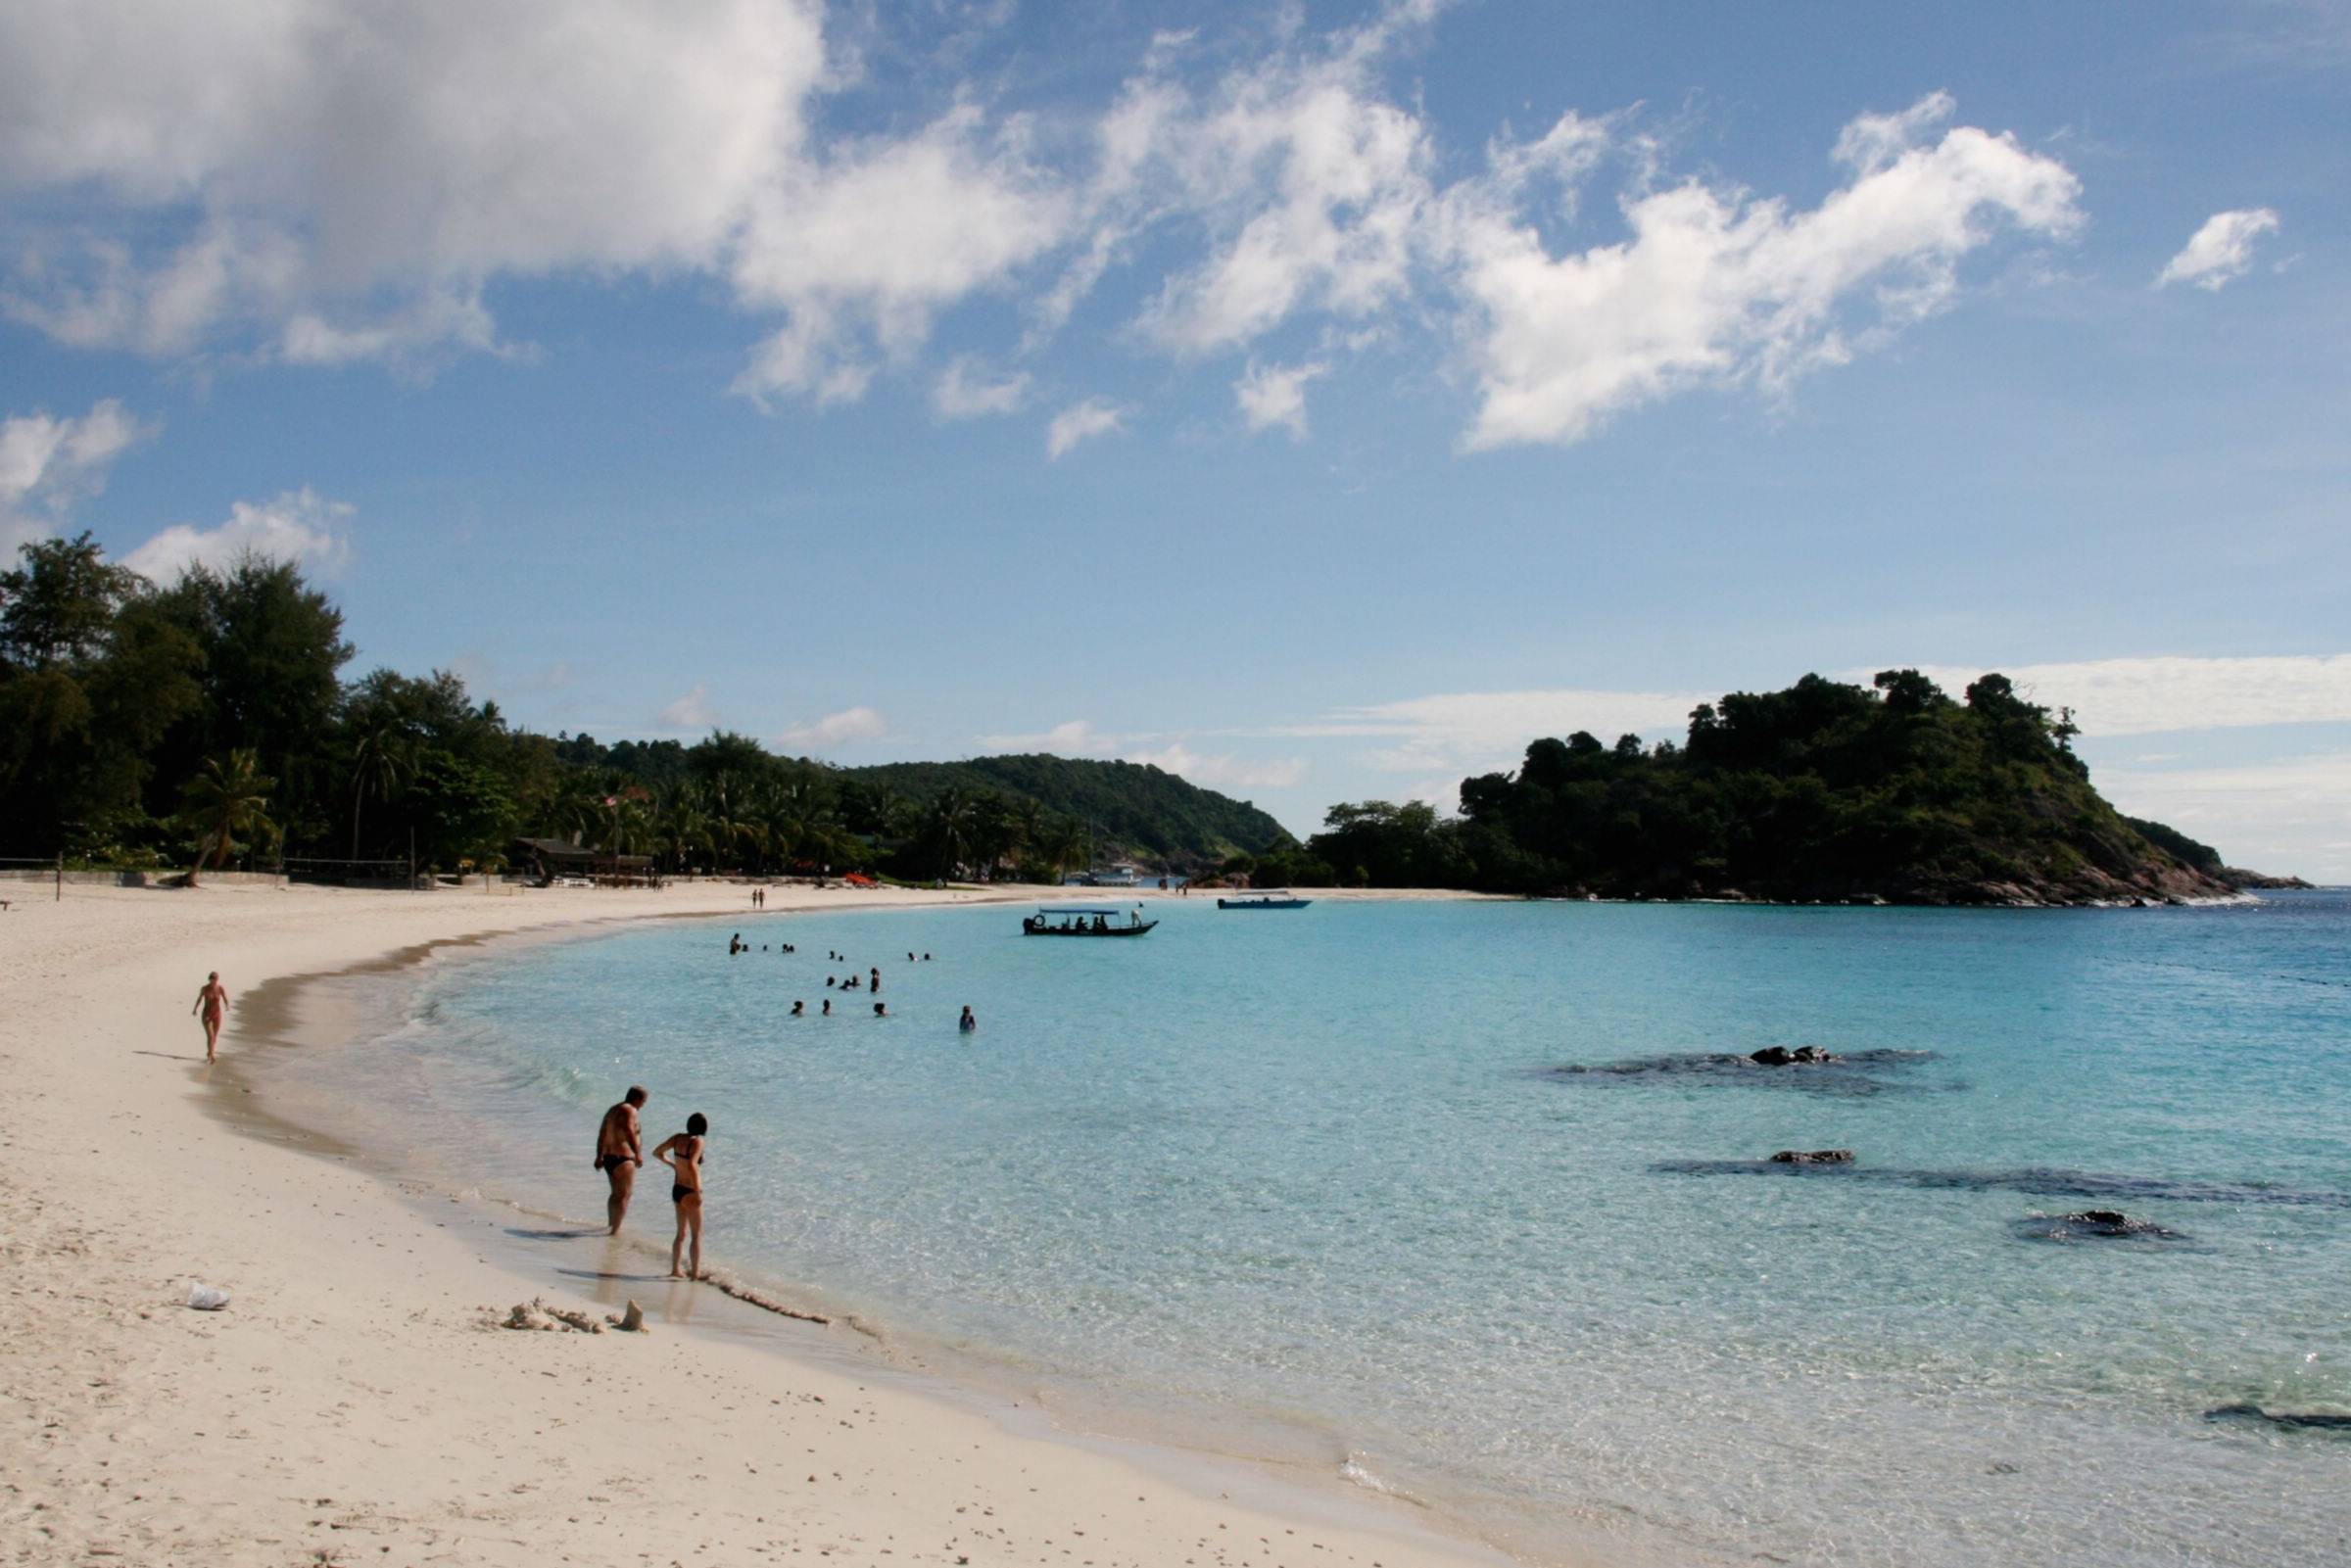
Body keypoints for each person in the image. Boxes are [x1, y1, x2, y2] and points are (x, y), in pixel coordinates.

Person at [650, 1113, 708, 1280]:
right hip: (690, 1190)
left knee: (680, 1233)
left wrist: (673, 1166)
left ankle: (675, 1269)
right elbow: (693, 1165)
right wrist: (698, 1191)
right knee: (696, 1234)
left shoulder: (677, 1138)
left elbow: (657, 1152)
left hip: (677, 1188)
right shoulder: (697, 1142)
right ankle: (695, 1273)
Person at [594, 1086, 648, 1234]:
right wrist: (637, 1153)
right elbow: (629, 1130)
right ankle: (614, 1232)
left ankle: (610, 1225)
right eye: (643, 1102)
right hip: (623, 1158)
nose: (643, 1105)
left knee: (615, 1194)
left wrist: (599, 1156)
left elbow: (602, 1133)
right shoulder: (630, 1109)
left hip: (609, 1158)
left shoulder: (613, 1110)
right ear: (637, 1099)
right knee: (625, 1195)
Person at [191, 972, 230, 1064]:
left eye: (216, 979)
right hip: (207, 1015)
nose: (214, 980)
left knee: (214, 1037)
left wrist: (227, 1005)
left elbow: (224, 997)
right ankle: (212, 1055)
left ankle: (209, 1053)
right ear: (209, 979)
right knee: (211, 1036)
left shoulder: (220, 988)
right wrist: (195, 1009)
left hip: (217, 1014)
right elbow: (199, 998)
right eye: (212, 979)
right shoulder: (205, 989)